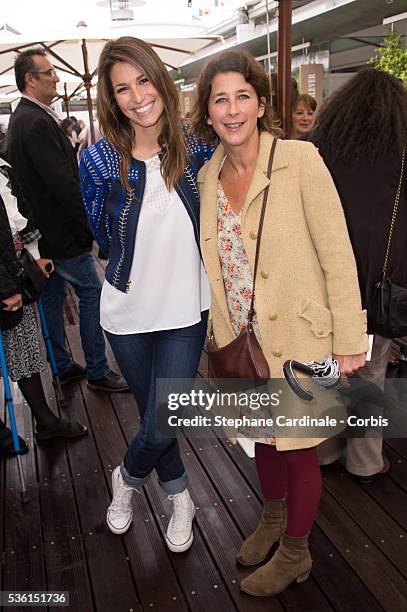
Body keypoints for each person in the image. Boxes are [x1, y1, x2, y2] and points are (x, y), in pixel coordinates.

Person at [190, 51, 368, 596]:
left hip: (299, 337)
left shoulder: (301, 159)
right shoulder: (205, 177)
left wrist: (349, 337)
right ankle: (272, 519)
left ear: (262, 103)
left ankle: (296, 552)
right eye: (220, 99)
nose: (232, 108)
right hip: (242, 340)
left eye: (243, 95)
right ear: (208, 112)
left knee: (299, 445)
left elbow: (338, 253)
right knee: (264, 439)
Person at [79, 37, 212, 552]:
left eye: (143, 80)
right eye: (122, 88)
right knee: (153, 409)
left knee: (164, 414)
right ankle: (181, 496)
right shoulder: (97, 161)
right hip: (127, 311)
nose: (137, 96)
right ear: (111, 99)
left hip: (186, 308)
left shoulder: (197, 145)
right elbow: (102, 234)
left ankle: (127, 477)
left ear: (160, 78)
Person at [6, 48, 128, 393]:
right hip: (60, 233)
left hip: (44, 236)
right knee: (93, 292)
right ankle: (98, 370)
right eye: (49, 73)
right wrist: (93, 224)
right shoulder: (36, 122)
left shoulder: (25, 119)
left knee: (52, 299)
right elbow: (64, 184)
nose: (56, 78)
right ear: (30, 80)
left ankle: (61, 365)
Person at [309, 67, 407, 484]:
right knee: (372, 371)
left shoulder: (322, 147)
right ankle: (365, 460)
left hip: (328, 284)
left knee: (329, 369)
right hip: (382, 284)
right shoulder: (402, 154)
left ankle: (326, 450)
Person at [0, 156, 87, 458]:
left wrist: (34, 258)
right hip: (4, 279)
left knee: (24, 345)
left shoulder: (3, 167)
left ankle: (45, 420)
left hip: (14, 267)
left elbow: (25, 222)